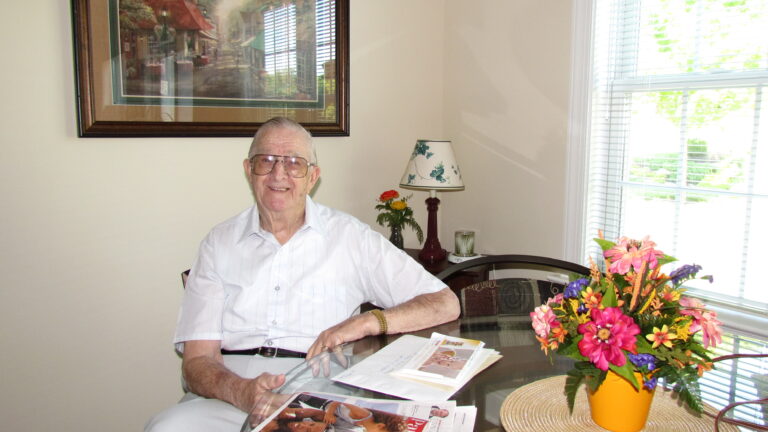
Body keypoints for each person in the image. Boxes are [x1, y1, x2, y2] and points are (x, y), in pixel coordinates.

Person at [145, 117, 460, 431]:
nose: (278, 173)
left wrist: (365, 322)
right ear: (248, 170)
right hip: (228, 392)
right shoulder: (218, 243)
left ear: (313, 177)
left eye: (294, 163)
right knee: (165, 427)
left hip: (319, 389)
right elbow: (197, 363)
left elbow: (445, 302)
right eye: (265, 161)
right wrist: (242, 392)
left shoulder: (350, 238)